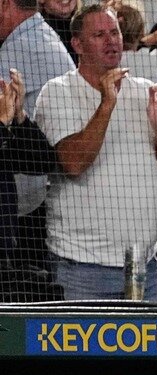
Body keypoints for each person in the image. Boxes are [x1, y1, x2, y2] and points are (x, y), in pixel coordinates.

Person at [33, 4, 157, 301]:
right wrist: (107, 104)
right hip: (81, 267)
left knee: (148, 349)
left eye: (114, 32)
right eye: (99, 34)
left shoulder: (147, 91)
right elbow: (74, 163)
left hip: (144, 268)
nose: (111, 41)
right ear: (77, 44)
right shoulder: (58, 92)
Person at [0, 0, 74, 275]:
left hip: (30, 210)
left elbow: (40, 159)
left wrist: (18, 118)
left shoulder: (20, 47)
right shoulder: (40, 35)